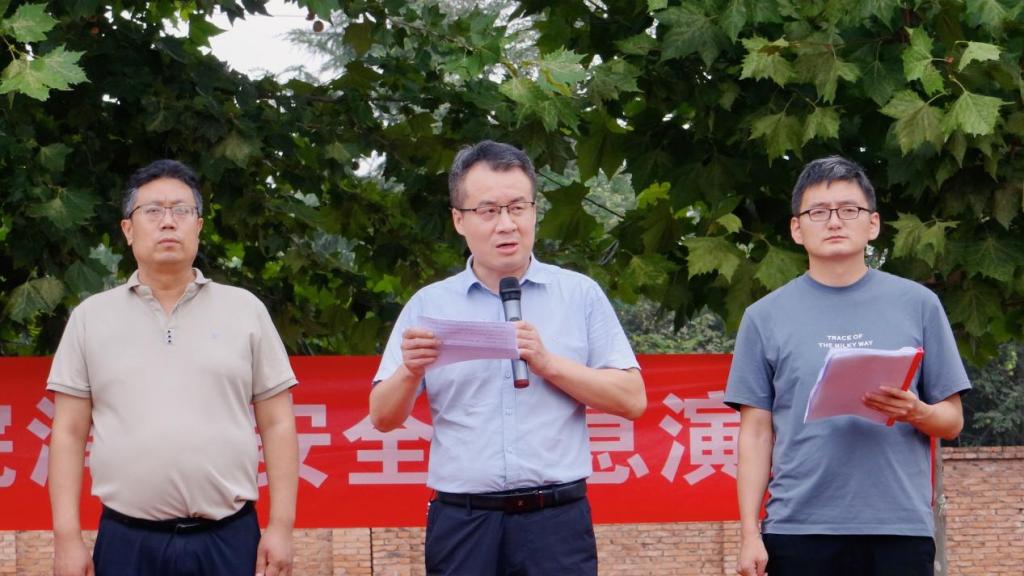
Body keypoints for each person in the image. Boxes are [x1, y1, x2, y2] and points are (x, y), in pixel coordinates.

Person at [370, 140, 646, 575]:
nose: (506, 224)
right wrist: (410, 370)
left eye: (518, 208)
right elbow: (382, 417)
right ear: (459, 220)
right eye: (488, 211)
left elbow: (632, 399)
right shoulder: (429, 306)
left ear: (535, 211)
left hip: (555, 522)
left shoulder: (579, 295)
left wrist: (549, 364)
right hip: (464, 523)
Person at [47, 160, 299, 576]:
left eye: (181, 210)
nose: (168, 222)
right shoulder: (91, 317)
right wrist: (67, 538)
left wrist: (282, 527)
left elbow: (278, 423)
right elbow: (69, 432)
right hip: (127, 540)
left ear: (198, 226)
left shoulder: (245, 310)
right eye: (153, 211)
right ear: (128, 229)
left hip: (229, 537)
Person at [725, 156, 971, 576]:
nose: (835, 222)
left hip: (899, 527)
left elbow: (952, 421)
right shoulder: (764, 316)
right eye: (818, 212)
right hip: (797, 527)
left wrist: (916, 411)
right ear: (797, 229)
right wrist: (750, 532)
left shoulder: (919, 305)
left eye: (848, 210)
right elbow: (756, 433)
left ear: (872, 224)